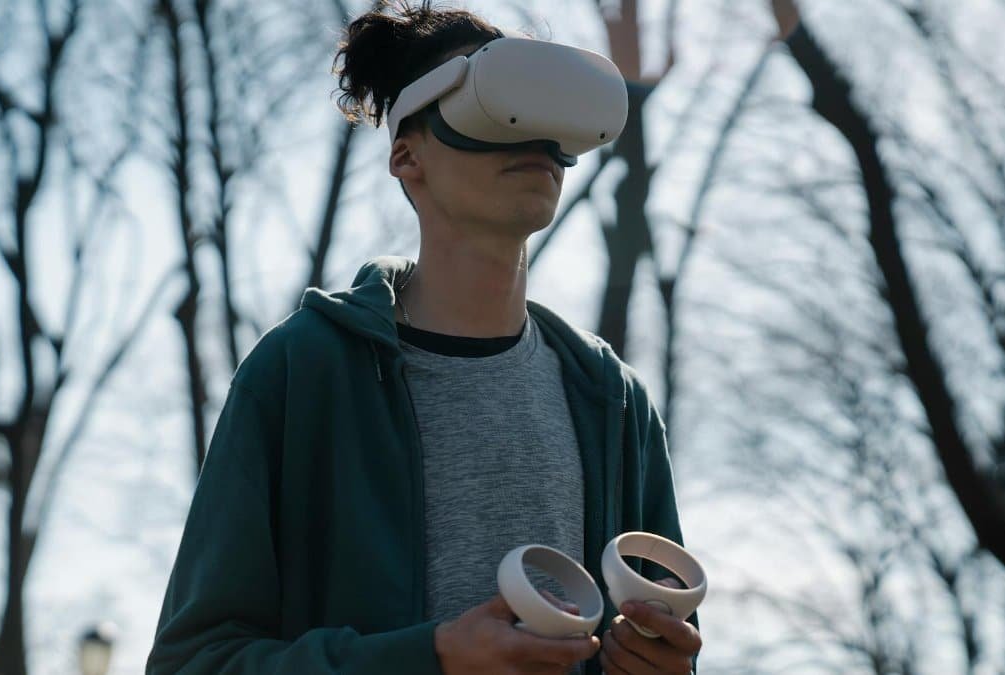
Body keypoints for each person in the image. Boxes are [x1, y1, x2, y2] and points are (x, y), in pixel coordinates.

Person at [146, 2, 700, 673]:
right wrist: (428, 657)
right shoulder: (301, 372)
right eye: (492, 106)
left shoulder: (613, 399)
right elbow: (193, 662)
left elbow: (668, 640)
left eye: (544, 113)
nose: (533, 138)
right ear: (408, 158)